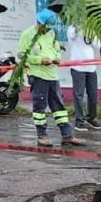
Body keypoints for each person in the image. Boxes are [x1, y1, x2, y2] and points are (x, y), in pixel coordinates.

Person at [18, 8, 79, 146]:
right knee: (40, 106)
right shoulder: (27, 34)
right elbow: (22, 55)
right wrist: (39, 60)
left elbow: (57, 50)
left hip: (52, 75)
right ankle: (42, 135)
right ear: (39, 22)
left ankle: (67, 135)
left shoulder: (51, 34)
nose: (47, 29)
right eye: (45, 26)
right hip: (38, 75)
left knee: (59, 106)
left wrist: (56, 58)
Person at [67, 25, 101, 131]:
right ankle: (79, 121)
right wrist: (81, 29)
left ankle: (91, 117)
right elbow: (72, 37)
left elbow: (98, 45)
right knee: (79, 95)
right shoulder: (72, 28)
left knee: (93, 94)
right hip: (77, 67)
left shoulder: (91, 29)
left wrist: (90, 33)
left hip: (91, 67)